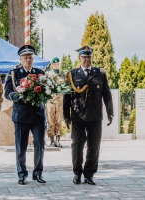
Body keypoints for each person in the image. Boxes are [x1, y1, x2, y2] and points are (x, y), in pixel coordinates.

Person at [63, 45, 113, 185]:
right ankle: (77, 173)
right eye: (84, 57)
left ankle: (89, 174)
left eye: (89, 57)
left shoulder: (100, 73)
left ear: (92, 58)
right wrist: (66, 116)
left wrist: (110, 112)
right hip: (78, 116)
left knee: (94, 146)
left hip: (95, 116)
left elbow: (107, 95)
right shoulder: (72, 74)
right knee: (77, 146)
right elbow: (67, 97)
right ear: (79, 58)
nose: (86, 60)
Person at [5, 45, 46, 185]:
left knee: (40, 144)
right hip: (21, 115)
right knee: (21, 146)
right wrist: (17, 97)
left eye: (30, 57)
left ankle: (38, 173)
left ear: (33, 59)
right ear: (21, 59)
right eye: (25, 57)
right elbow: (7, 92)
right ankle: (22, 174)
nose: (28, 60)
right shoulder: (14, 73)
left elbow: (46, 91)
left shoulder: (40, 74)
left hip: (38, 115)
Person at [45, 57, 66, 147]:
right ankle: (51, 140)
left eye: (57, 63)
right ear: (52, 65)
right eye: (54, 64)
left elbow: (65, 87)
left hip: (60, 101)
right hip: (50, 101)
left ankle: (58, 140)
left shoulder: (63, 75)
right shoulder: (48, 74)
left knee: (59, 120)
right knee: (50, 120)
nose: (56, 65)